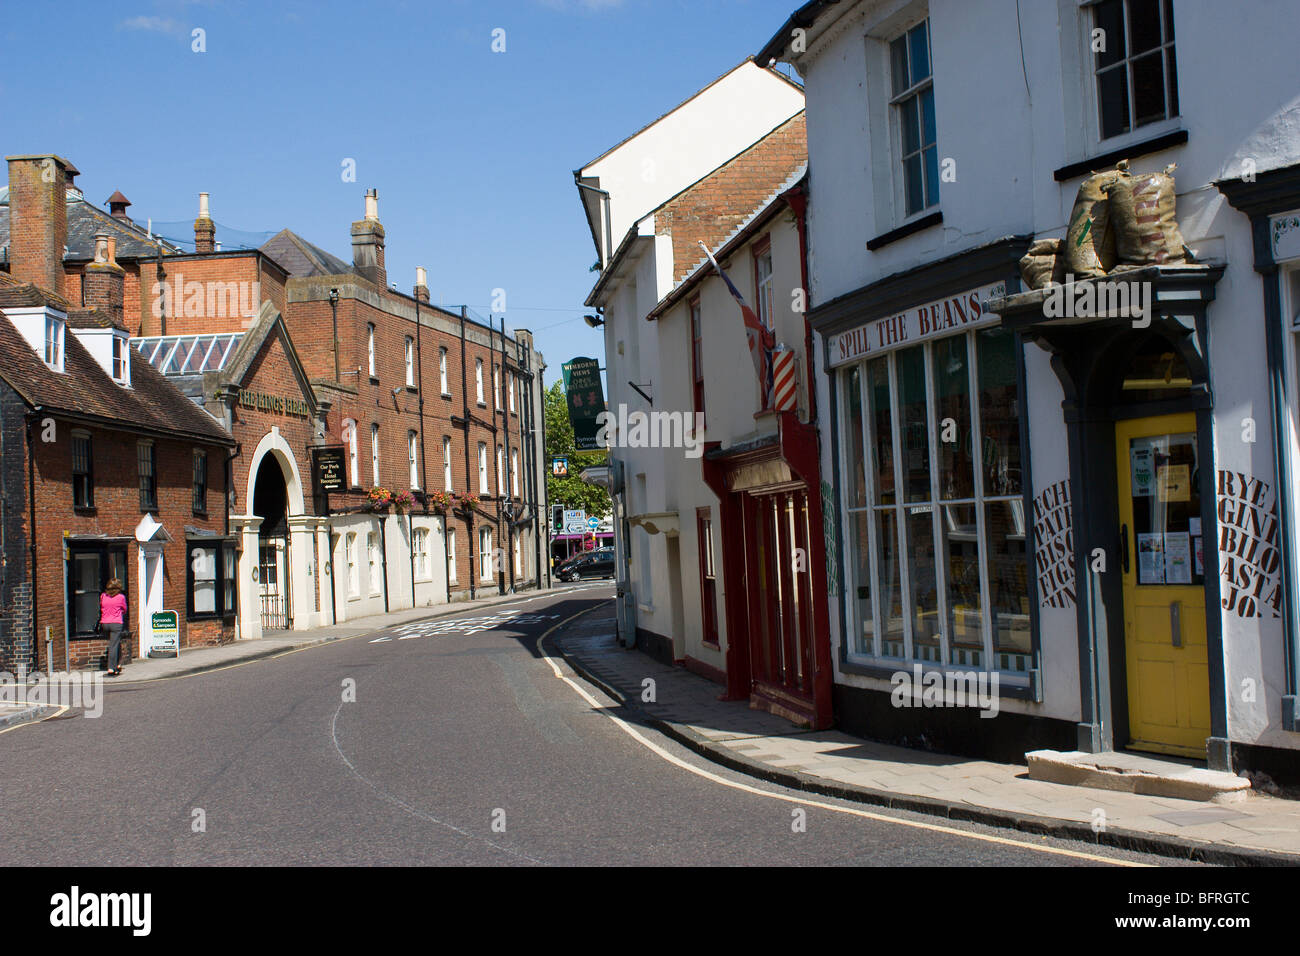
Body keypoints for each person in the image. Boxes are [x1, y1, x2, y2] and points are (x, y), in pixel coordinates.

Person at [100, 578, 128, 677]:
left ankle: (118, 663)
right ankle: (111, 667)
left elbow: (102, 607)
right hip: (116, 623)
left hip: (105, 623)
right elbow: (124, 609)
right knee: (113, 645)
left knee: (116, 643)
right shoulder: (121, 597)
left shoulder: (103, 596)